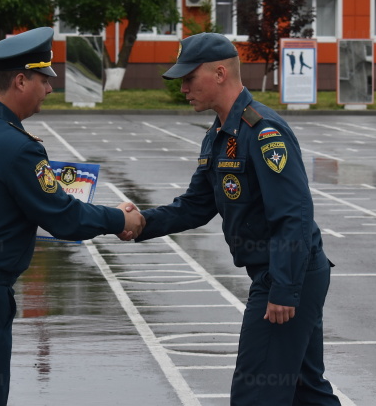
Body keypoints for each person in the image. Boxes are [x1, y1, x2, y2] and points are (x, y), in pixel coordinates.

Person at [0, 26, 145, 406]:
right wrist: (121, 219)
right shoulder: (17, 148)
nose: (50, 88)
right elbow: (64, 218)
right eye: (44, 79)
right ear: (21, 81)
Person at [136, 32, 340, 406]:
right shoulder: (220, 133)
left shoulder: (263, 133)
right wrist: (139, 224)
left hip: (286, 273)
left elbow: (293, 215)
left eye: (188, 78)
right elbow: (195, 206)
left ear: (218, 73)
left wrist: (282, 289)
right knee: (305, 391)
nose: (182, 88)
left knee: (255, 394)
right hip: (289, 273)